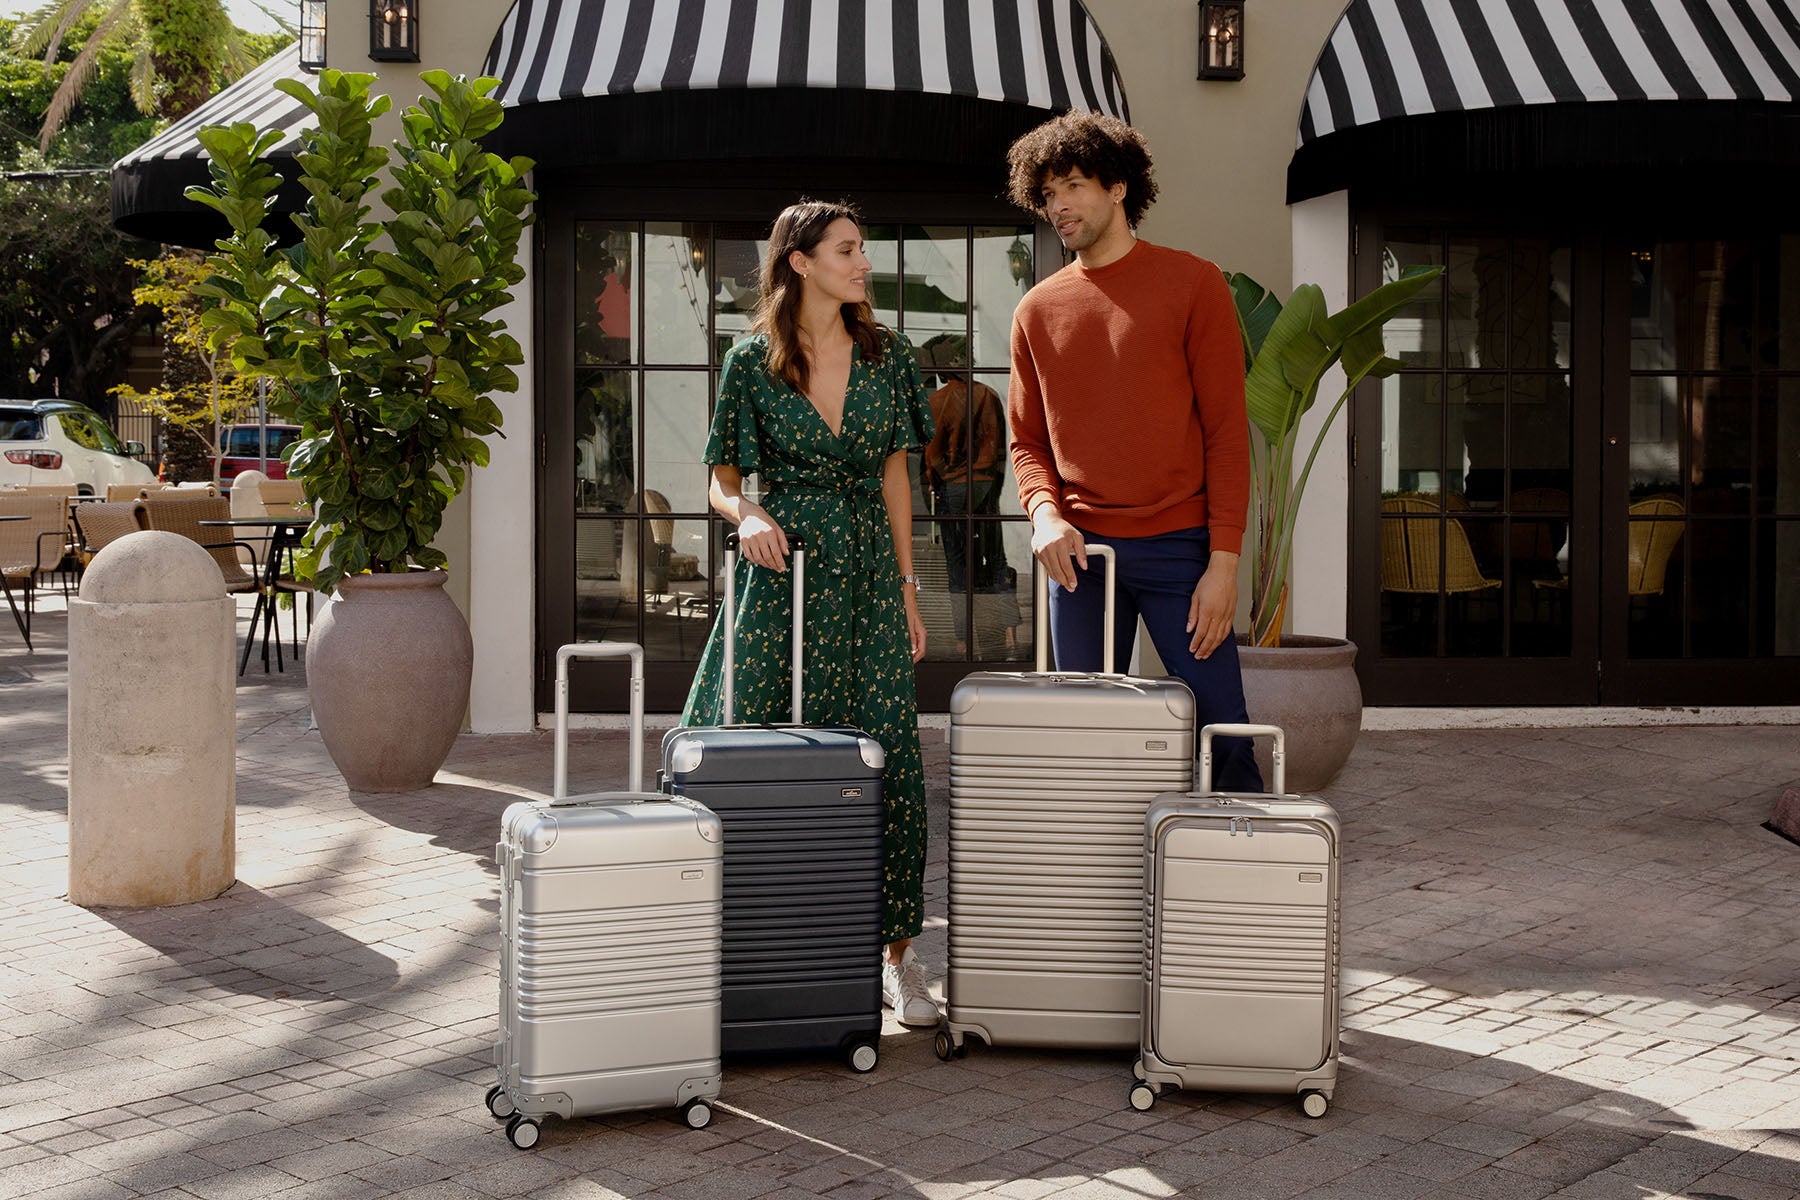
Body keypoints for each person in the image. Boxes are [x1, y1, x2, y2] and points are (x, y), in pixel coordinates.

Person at [679, 199, 942, 1027]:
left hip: (867, 574)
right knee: (755, 744)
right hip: (783, 579)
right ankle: (745, 952)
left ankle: (898, 960)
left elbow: (900, 479)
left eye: (863, 250)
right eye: (847, 250)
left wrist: (909, 587)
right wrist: (749, 513)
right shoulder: (749, 362)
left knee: (888, 756)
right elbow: (719, 482)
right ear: (800, 262)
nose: (863, 264)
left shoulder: (888, 355)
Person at [1004, 112, 1264, 793]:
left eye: (1074, 186)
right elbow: (1026, 442)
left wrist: (1224, 563)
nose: (1058, 205)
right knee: (1089, 740)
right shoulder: (1036, 311)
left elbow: (1227, 434)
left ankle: (1239, 875)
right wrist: (1045, 516)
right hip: (1082, 560)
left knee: (1225, 729)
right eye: (1048, 193)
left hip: (1182, 550)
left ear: (1118, 187)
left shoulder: (1193, 284)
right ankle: (1104, 887)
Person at [922, 372, 1010, 652]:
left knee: (957, 564)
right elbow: (999, 450)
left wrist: (935, 487)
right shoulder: (988, 395)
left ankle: (963, 638)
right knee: (995, 558)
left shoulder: (938, 400)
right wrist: (994, 487)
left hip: (954, 487)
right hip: (984, 483)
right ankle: (1006, 632)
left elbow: (932, 454)